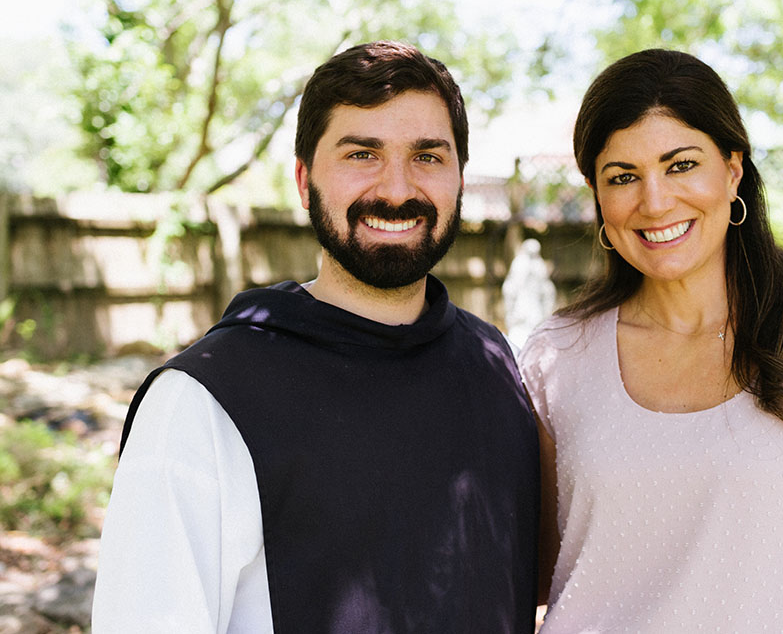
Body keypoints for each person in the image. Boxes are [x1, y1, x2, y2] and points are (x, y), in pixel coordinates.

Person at [92, 41, 540, 633]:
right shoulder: (203, 401)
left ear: (459, 177)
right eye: (362, 153)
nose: (397, 189)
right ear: (304, 181)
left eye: (428, 156)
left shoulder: (494, 364)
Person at [518, 49, 783, 632]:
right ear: (598, 196)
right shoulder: (556, 355)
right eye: (622, 177)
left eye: (681, 164)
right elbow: (523, 574)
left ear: (733, 168)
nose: (655, 201)